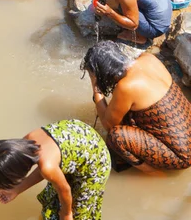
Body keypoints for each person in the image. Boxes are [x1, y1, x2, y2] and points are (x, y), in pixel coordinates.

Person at [0, 119, 111, 220]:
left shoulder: (48, 166)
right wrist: (16, 190)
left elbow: (64, 189)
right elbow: (44, 168)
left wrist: (66, 214)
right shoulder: (26, 142)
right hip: (81, 138)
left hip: (96, 163)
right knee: (54, 198)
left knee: (76, 219)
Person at [81, 40, 191, 174]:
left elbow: (107, 124)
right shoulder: (148, 58)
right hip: (185, 136)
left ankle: (153, 173)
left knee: (117, 137)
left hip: (183, 156)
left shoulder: (126, 87)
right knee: (126, 113)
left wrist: (95, 86)